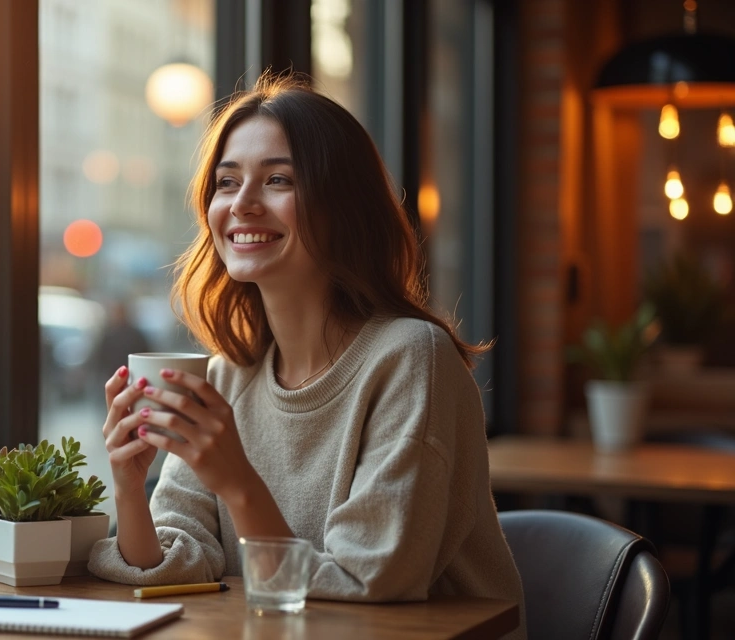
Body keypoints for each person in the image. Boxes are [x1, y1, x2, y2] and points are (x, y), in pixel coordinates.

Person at [89, 74, 526, 638]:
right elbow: (178, 562)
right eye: (227, 182)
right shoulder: (228, 375)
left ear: (342, 205)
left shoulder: (412, 359)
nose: (242, 204)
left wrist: (238, 483)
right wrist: (129, 485)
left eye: (278, 180)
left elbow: (371, 582)